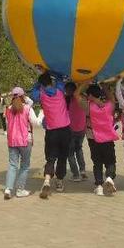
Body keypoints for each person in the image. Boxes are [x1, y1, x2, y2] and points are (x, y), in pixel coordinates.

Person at [32, 69, 71, 198]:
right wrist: (49, 71)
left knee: (50, 158)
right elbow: (60, 77)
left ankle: (47, 180)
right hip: (65, 130)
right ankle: (59, 182)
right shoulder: (60, 92)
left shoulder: (41, 95)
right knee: (62, 157)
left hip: (51, 131)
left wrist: (39, 79)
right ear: (51, 81)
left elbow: (34, 91)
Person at [75, 82, 117, 196]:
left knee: (97, 162)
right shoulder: (109, 105)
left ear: (90, 96)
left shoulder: (87, 106)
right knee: (110, 161)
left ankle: (99, 186)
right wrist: (104, 86)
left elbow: (76, 94)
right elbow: (112, 97)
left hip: (93, 138)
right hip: (108, 138)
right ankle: (109, 178)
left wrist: (85, 82)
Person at [3, 87, 44, 199]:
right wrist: (41, 113)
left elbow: (7, 124)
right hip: (25, 140)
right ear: (23, 96)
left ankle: (8, 189)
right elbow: (36, 123)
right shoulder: (27, 108)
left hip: (12, 141)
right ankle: (20, 190)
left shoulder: (9, 109)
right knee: (25, 166)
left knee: (12, 165)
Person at [65, 82, 87, 182]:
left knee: (70, 153)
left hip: (71, 130)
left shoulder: (70, 99)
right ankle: (82, 170)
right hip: (82, 129)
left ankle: (76, 175)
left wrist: (85, 82)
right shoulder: (83, 98)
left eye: (67, 90)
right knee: (78, 149)